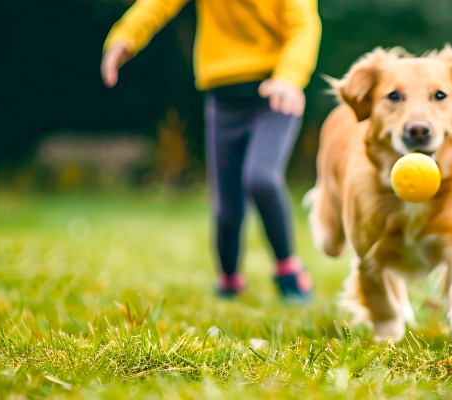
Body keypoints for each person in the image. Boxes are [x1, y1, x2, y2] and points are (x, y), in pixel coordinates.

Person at [101, 0, 321, 301]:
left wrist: (289, 76)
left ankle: (289, 271)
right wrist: (126, 37)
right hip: (223, 98)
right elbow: (158, 4)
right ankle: (229, 280)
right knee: (227, 206)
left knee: (262, 178)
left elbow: (303, 26)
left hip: (275, 94)